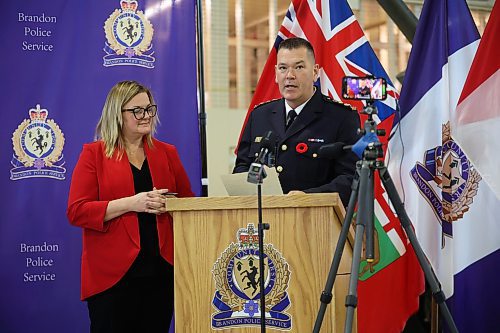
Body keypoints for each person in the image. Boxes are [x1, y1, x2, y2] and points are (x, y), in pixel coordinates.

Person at [67, 80, 194, 333]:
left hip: (161, 273)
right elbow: (77, 211)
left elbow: (188, 204)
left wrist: (169, 204)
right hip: (112, 277)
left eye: (149, 109)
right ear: (118, 113)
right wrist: (132, 203)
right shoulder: (94, 154)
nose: (145, 115)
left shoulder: (167, 153)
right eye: (137, 110)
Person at [233, 37, 360, 205]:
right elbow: (242, 166)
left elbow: (350, 179)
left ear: (315, 72)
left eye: (299, 67)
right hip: (263, 218)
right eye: (283, 68)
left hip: (315, 219)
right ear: (276, 74)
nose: (290, 76)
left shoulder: (341, 117)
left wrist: (306, 198)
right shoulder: (260, 115)